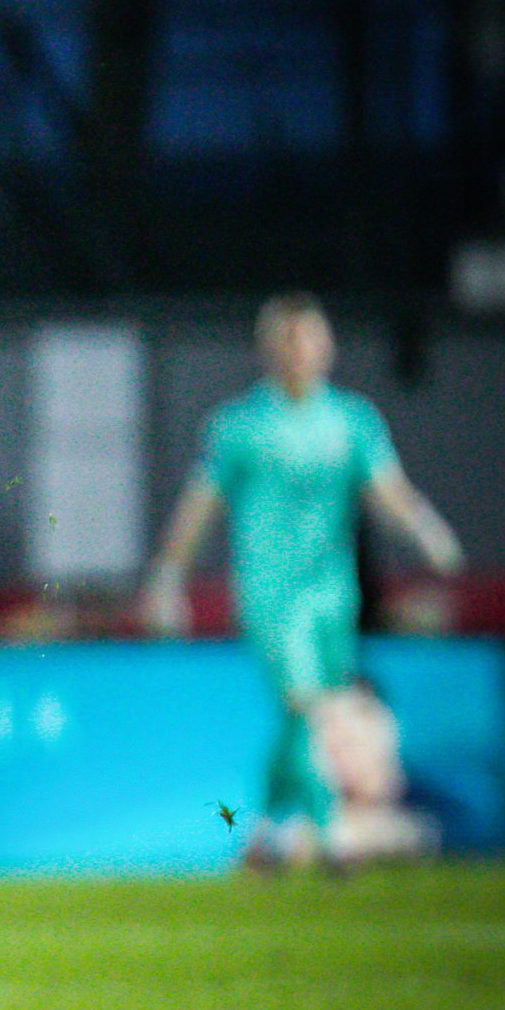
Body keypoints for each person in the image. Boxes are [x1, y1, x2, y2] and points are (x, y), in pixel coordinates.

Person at [142, 294, 463, 863]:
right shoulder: (239, 425)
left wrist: (425, 528)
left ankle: (262, 833)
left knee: (310, 716)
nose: (301, 351)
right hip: (270, 592)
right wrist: (167, 576)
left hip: (332, 593)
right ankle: (329, 832)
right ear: (268, 350)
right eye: (288, 340)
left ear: (327, 345)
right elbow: (200, 505)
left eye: (310, 338)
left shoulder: (352, 420)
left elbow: (386, 489)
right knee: (305, 704)